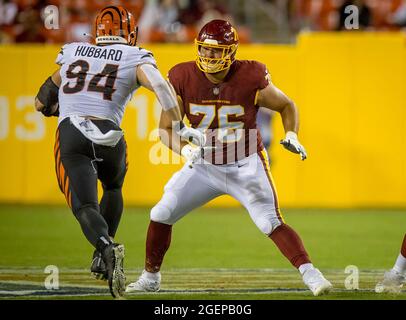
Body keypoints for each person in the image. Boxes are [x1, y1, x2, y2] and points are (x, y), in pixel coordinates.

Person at [126, 19, 333, 296]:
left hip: (245, 162)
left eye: (216, 51)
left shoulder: (250, 74)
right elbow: (164, 130)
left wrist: (292, 134)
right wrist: (184, 149)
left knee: (269, 222)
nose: (209, 56)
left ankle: (313, 276)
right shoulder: (182, 76)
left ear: (232, 52)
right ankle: (150, 278)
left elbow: (286, 105)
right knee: (161, 213)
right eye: (205, 49)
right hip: (204, 165)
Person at [34, 5, 204, 298]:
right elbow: (163, 88)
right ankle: (101, 255)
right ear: (131, 33)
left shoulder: (74, 52)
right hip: (111, 136)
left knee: (85, 206)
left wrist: (58, 106)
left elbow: (41, 102)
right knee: (112, 188)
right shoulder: (134, 56)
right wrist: (179, 125)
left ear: (96, 31)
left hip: (73, 132)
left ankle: (106, 248)